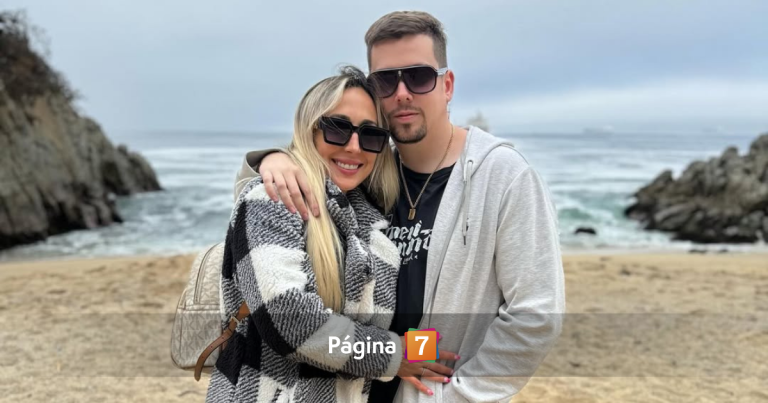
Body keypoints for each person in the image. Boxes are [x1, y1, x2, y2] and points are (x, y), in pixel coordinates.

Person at [240, 11, 565, 403]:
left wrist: (454, 396)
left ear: (447, 85)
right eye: (385, 81)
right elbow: (261, 215)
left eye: (419, 76)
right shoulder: (367, 172)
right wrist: (271, 160)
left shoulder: (502, 175)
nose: (402, 93)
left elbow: (535, 315)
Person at [205, 66, 457, 403]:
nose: (354, 147)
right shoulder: (273, 198)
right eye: (337, 128)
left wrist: (429, 353)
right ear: (310, 130)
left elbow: (378, 327)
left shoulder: (373, 225)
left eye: (371, 135)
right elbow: (289, 322)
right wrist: (395, 356)